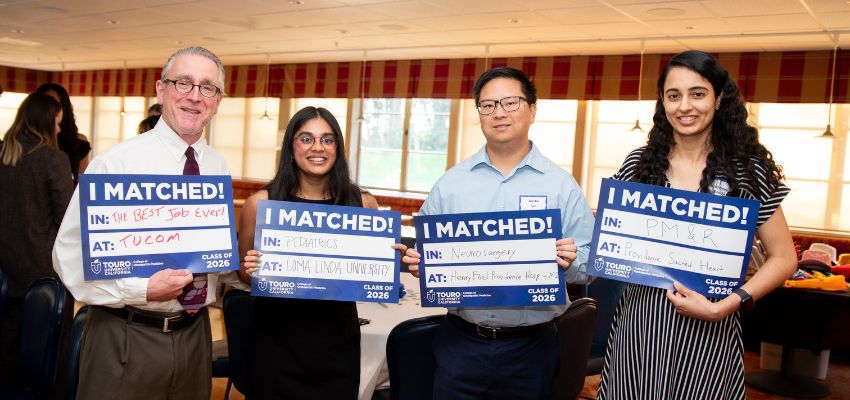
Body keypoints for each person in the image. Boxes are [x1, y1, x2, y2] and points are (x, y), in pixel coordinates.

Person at [596, 50, 797, 400]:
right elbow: (610, 233)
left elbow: (784, 258)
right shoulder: (640, 166)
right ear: (663, 103)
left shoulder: (747, 172)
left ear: (719, 98)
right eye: (674, 95)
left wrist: (728, 305)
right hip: (640, 326)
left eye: (697, 93)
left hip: (711, 325)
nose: (685, 106)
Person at [52, 46, 243, 400]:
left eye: (207, 88)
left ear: (217, 101)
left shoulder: (218, 167)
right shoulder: (115, 165)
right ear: (160, 89)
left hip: (194, 336)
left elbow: (212, 255)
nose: (194, 96)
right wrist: (141, 290)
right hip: (125, 335)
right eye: (183, 83)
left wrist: (249, 268)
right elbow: (70, 259)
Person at [402, 66, 595, 399]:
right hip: (460, 344)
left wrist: (572, 259)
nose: (498, 113)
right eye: (487, 105)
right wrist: (422, 264)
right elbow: (426, 252)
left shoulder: (561, 185)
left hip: (532, 348)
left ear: (532, 109)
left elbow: (592, 260)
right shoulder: (451, 183)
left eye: (510, 102)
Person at [238, 106, 380, 399]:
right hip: (275, 345)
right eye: (306, 138)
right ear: (291, 146)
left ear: (338, 148)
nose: (318, 147)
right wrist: (250, 269)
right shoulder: (260, 203)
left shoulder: (363, 205)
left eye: (328, 140)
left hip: (337, 345)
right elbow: (245, 274)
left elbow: (370, 279)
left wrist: (383, 263)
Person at [0, 92, 73, 386]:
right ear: (45, 122)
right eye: (57, 123)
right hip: (43, 272)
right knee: (47, 355)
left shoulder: (3, 154)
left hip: (6, 269)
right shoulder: (52, 159)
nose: (59, 130)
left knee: (7, 349)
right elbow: (67, 219)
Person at [37, 83, 91, 183]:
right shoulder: (29, 142)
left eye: (57, 104)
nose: (52, 109)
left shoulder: (79, 142)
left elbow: (83, 184)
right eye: (47, 103)